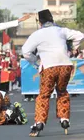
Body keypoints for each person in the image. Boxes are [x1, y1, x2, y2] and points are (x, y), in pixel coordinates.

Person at [22, 9, 84, 137]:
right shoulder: (61, 30)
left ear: (40, 22)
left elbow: (25, 52)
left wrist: (36, 61)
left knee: (44, 95)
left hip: (49, 67)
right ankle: (64, 119)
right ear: (52, 19)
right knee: (62, 91)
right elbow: (80, 35)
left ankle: (39, 122)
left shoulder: (37, 34)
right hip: (66, 65)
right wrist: (73, 49)